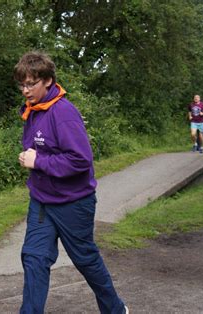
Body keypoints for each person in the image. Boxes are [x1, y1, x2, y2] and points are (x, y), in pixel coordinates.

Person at [14, 51, 127, 314]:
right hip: (42, 202)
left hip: (73, 203)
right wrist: (31, 157)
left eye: (31, 83)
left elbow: (80, 160)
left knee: (85, 260)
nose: (25, 90)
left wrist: (38, 161)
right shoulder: (33, 111)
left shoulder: (63, 112)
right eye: (22, 84)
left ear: (48, 81)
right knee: (34, 258)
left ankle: (116, 309)